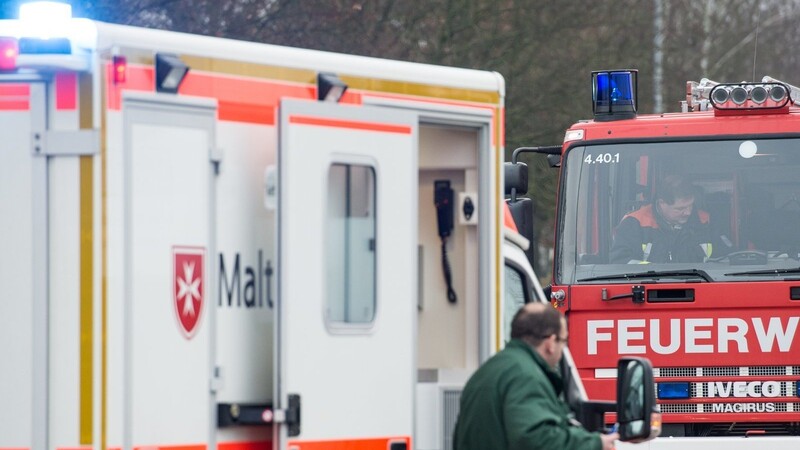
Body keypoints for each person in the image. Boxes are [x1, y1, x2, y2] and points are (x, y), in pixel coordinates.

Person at [452, 302, 618, 450]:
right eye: (563, 342)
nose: (562, 350)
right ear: (550, 343)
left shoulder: (489, 370)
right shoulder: (526, 377)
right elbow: (536, 440)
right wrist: (595, 444)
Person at [610, 174, 719, 264]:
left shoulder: (705, 221)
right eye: (680, 208)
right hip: (650, 285)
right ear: (661, 203)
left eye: (690, 205)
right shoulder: (634, 223)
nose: (688, 212)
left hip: (701, 285)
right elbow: (619, 262)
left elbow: (724, 260)